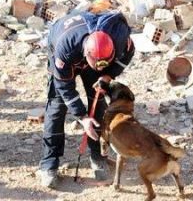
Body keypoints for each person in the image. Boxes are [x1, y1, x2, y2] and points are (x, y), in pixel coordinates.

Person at [37, 11, 136, 188]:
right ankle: (49, 163)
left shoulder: (119, 37)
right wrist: (82, 118)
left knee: (98, 102)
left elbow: (129, 52)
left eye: (104, 64)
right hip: (66, 48)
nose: (100, 68)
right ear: (87, 55)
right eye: (98, 65)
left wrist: (107, 75)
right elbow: (65, 88)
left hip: (95, 52)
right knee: (57, 106)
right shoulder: (64, 50)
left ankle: (97, 156)